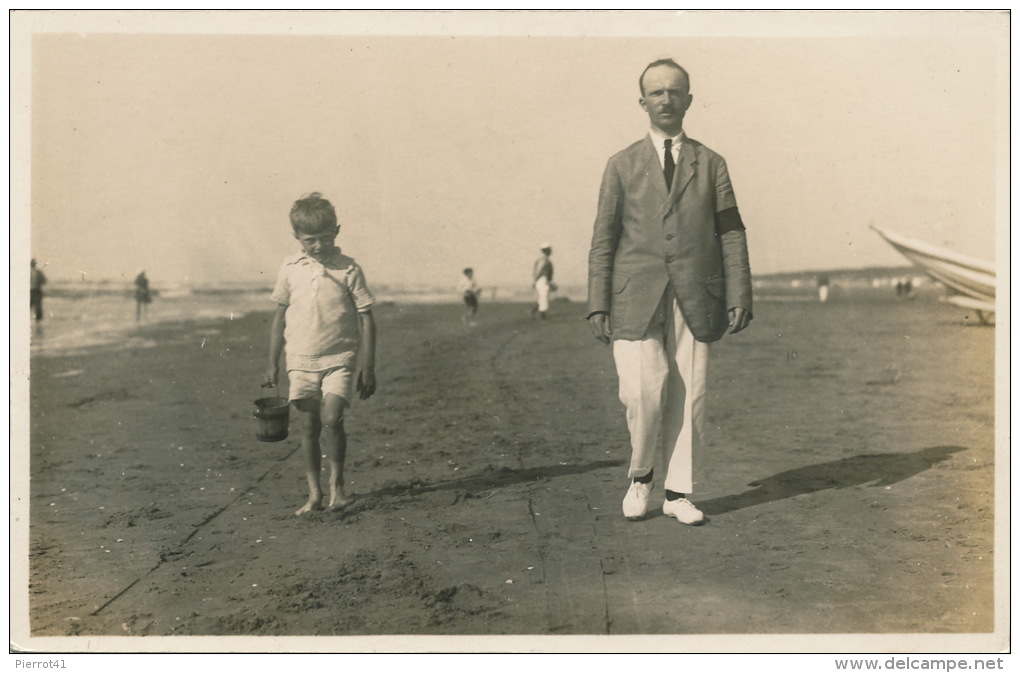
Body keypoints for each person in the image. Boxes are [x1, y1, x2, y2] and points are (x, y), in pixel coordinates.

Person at [586, 58, 753, 526]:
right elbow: (604, 238)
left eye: (674, 92)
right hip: (633, 296)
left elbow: (731, 233)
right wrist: (597, 301)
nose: (666, 99)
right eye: (656, 92)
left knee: (690, 392)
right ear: (642, 102)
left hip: (696, 295)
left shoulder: (712, 163)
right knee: (643, 391)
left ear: (689, 100)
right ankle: (641, 477)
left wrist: (739, 292)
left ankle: (678, 493)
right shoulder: (620, 165)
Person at [265, 192, 378, 516]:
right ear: (296, 237)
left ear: (337, 232)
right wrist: (272, 363)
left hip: (339, 358)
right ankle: (314, 493)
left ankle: (337, 487)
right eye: (309, 240)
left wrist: (367, 367)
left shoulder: (349, 269)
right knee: (309, 426)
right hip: (300, 359)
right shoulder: (289, 268)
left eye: (324, 238)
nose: (317, 246)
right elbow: (279, 317)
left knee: (332, 418)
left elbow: (367, 319)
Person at [531, 243, 556, 320]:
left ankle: (534, 312)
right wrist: (535, 281)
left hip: (543, 280)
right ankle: (542, 316)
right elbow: (539, 271)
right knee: (544, 298)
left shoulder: (543, 260)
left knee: (543, 298)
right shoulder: (543, 260)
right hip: (542, 280)